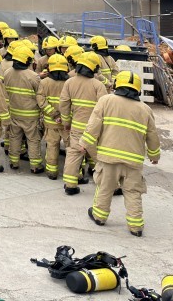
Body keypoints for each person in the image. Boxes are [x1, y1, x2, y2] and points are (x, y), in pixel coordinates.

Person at [81, 70, 161, 237]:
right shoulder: (145, 109)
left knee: (105, 187)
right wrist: (154, 156)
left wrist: (85, 144)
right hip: (133, 161)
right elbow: (152, 136)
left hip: (109, 158)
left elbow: (93, 126)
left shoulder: (106, 101)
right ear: (137, 90)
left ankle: (99, 216)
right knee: (133, 192)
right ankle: (135, 226)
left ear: (118, 85)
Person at [60, 52, 107, 195]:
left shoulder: (69, 82)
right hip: (94, 131)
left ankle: (70, 185)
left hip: (76, 127)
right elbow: (105, 109)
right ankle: (114, 186)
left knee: (73, 155)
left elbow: (64, 104)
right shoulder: (98, 85)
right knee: (101, 158)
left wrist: (66, 122)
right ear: (94, 68)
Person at [3, 43, 46, 173]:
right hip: (30, 115)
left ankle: (14, 162)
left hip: (14, 113)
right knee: (33, 139)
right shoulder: (33, 76)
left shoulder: (7, 73)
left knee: (15, 137)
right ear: (28, 60)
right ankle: (35, 166)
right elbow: (40, 95)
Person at [39, 54, 71, 179]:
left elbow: (41, 100)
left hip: (51, 122)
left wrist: (53, 114)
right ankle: (75, 174)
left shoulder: (45, 82)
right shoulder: (70, 82)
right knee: (71, 148)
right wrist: (64, 117)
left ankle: (52, 172)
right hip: (67, 123)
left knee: (52, 146)